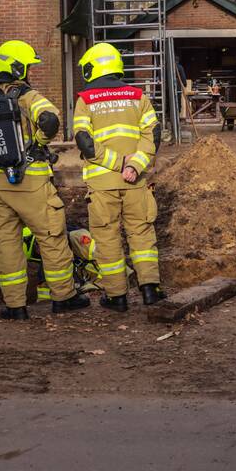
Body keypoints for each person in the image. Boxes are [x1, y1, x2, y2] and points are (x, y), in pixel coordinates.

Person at [0, 40, 90, 320]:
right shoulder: (28, 97)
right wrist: (37, 143)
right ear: (18, 68)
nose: (30, 73)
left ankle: (15, 306)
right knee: (51, 237)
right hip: (32, 182)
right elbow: (50, 119)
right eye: (28, 67)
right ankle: (63, 297)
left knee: (7, 243)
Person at [72, 42, 164, 313]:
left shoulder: (85, 100)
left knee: (108, 237)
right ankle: (150, 289)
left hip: (102, 184)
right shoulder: (138, 96)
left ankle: (117, 297)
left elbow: (84, 142)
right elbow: (153, 135)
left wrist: (115, 162)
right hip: (135, 181)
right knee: (142, 232)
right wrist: (134, 165)